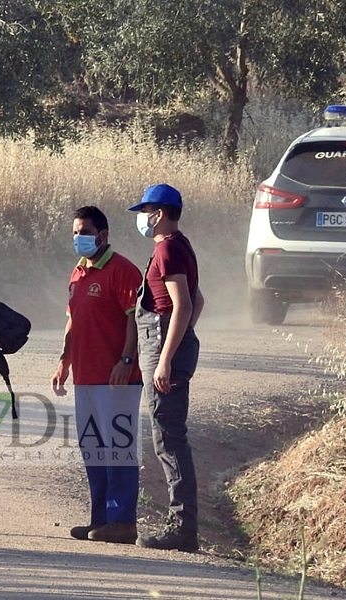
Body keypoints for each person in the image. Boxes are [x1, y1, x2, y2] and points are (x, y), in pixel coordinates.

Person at [51, 206, 144, 545]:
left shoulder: (123, 271)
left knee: (118, 447)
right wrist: (65, 360)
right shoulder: (78, 272)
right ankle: (101, 519)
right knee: (93, 448)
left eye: (84, 232)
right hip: (85, 378)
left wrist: (126, 359)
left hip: (116, 378)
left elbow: (134, 319)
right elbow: (73, 320)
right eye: (75, 232)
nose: (78, 238)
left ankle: (122, 521)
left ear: (103, 235)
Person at [128, 183, 205, 552]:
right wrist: (183, 341)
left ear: (159, 213)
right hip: (167, 344)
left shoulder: (168, 248)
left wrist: (166, 358)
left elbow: (183, 306)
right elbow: (197, 300)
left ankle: (182, 528)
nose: (142, 218)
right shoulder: (179, 245)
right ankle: (182, 524)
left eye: (145, 211)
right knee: (169, 436)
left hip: (162, 347)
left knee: (168, 439)